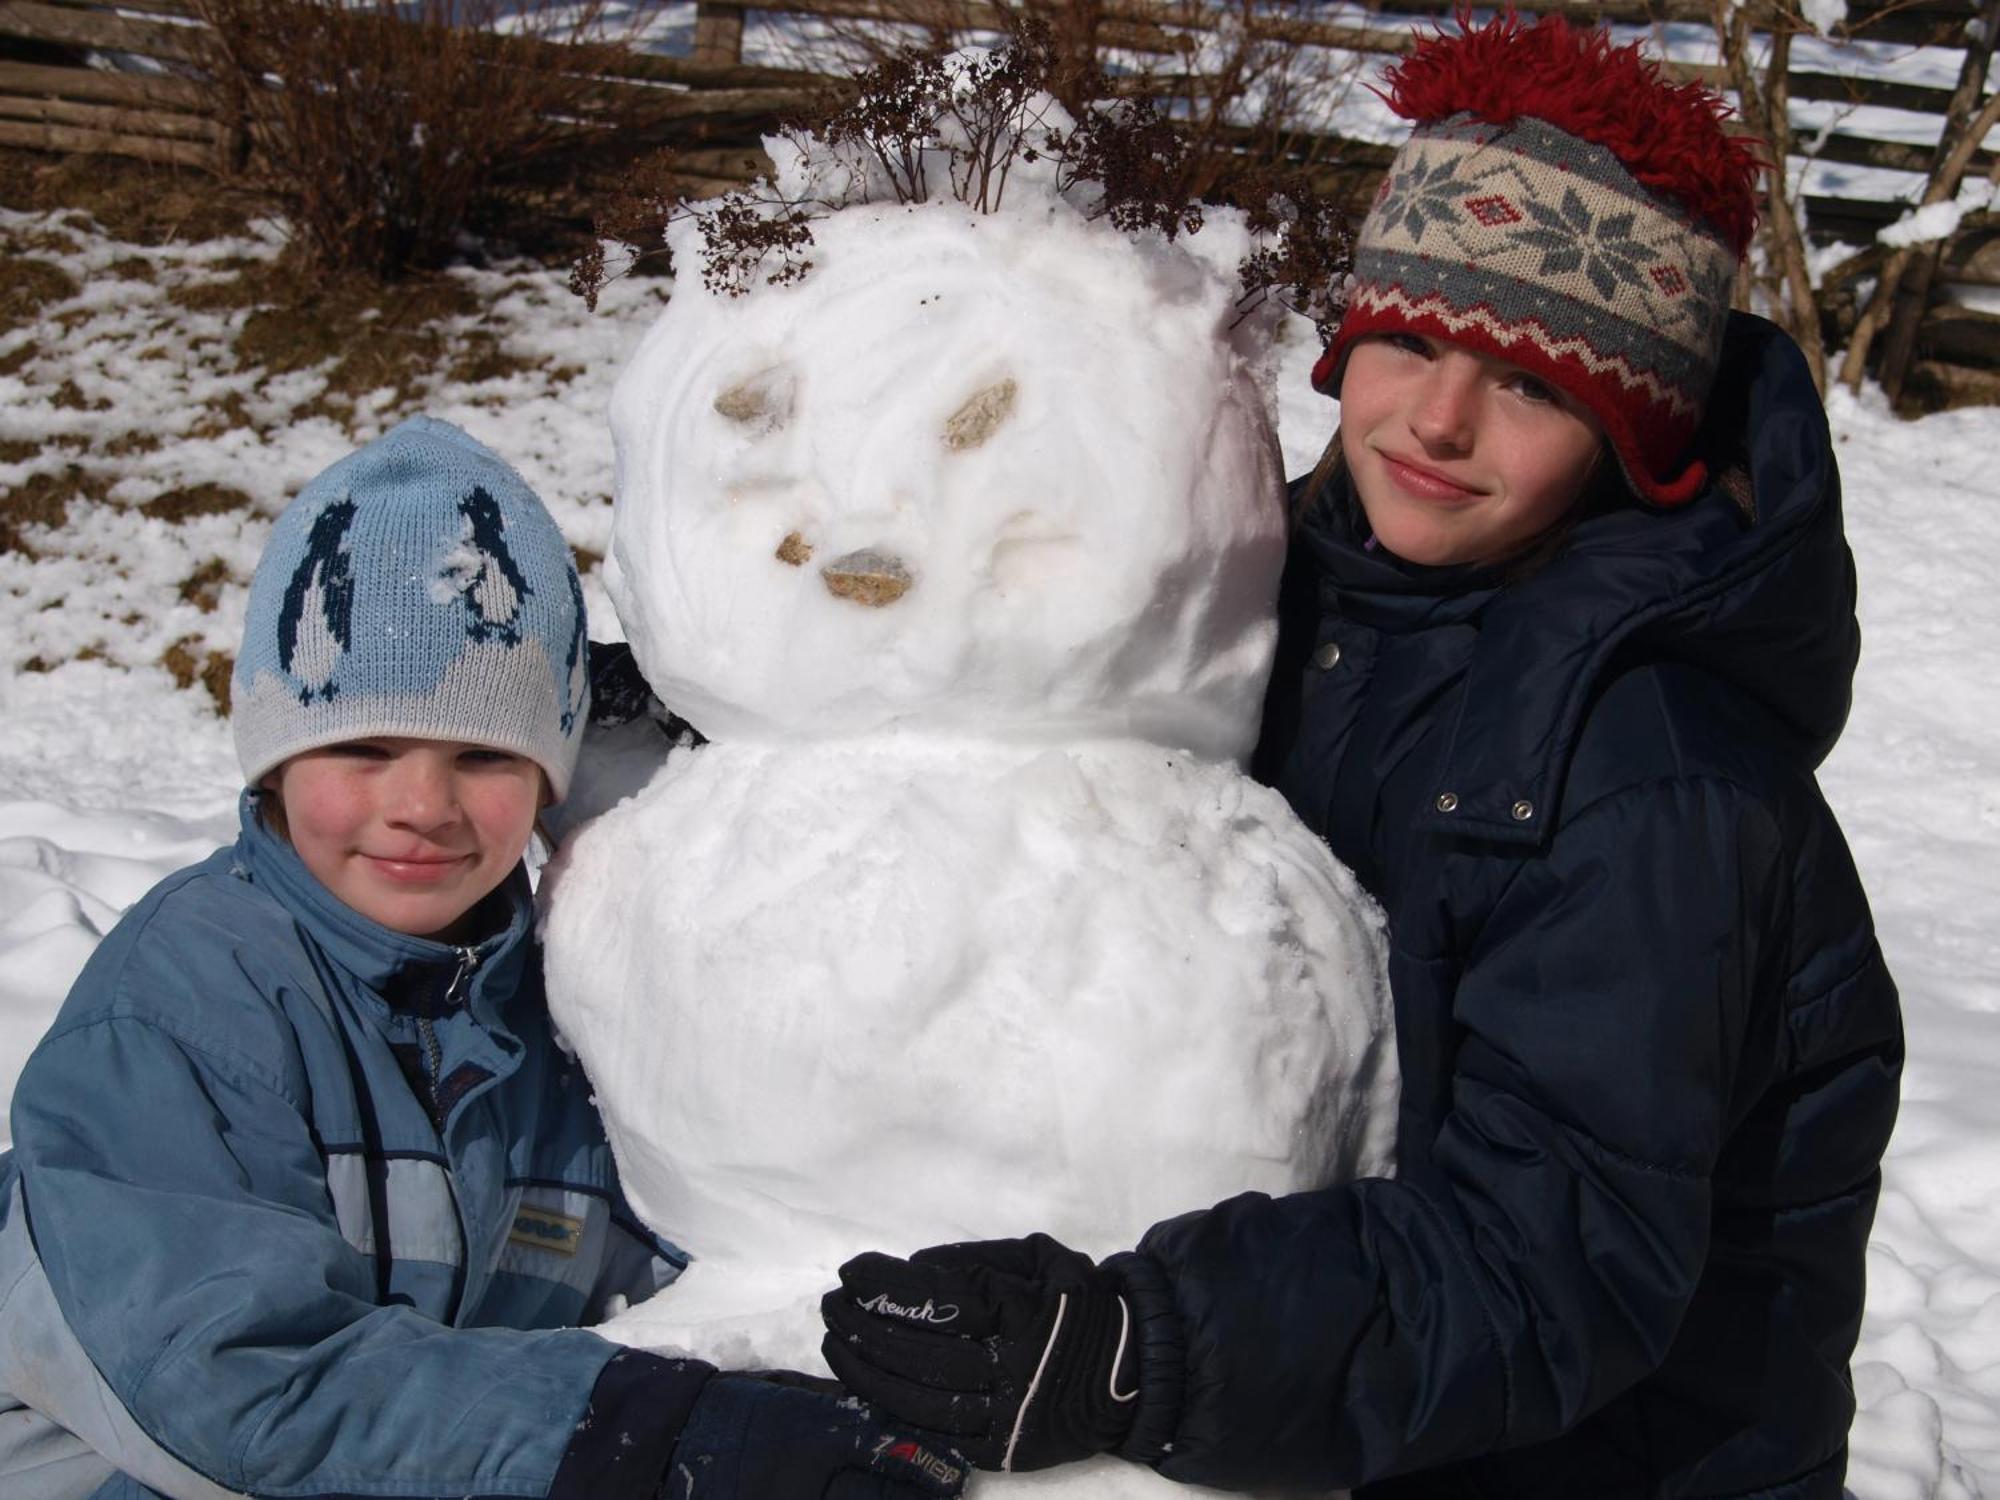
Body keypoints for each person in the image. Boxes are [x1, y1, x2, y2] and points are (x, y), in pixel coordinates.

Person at [819, 14, 1902, 1498]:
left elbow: (1552, 1262)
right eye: (1410, 341)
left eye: (1531, 385)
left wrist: (1146, 1348)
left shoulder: (1657, 784)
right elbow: (1050, 718)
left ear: (1633, 437)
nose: (1440, 421)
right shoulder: (1317, 596)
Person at [0, 417, 964, 1500]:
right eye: (361, 748)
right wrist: (626, 1438)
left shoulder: (552, 1007)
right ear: (270, 759)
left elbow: (682, 1254)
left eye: (483, 755)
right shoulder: (185, 1010)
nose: (420, 807)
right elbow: (234, 1392)